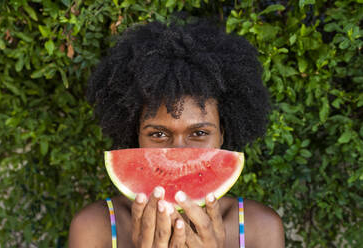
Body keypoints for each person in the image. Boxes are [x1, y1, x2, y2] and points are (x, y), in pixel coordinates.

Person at [69, 16, 285, 248]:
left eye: (200, 133)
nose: (178, 152)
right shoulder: (94, 227)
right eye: (158, 134)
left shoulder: (260, 228)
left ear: (223, 132)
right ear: (136, 136)